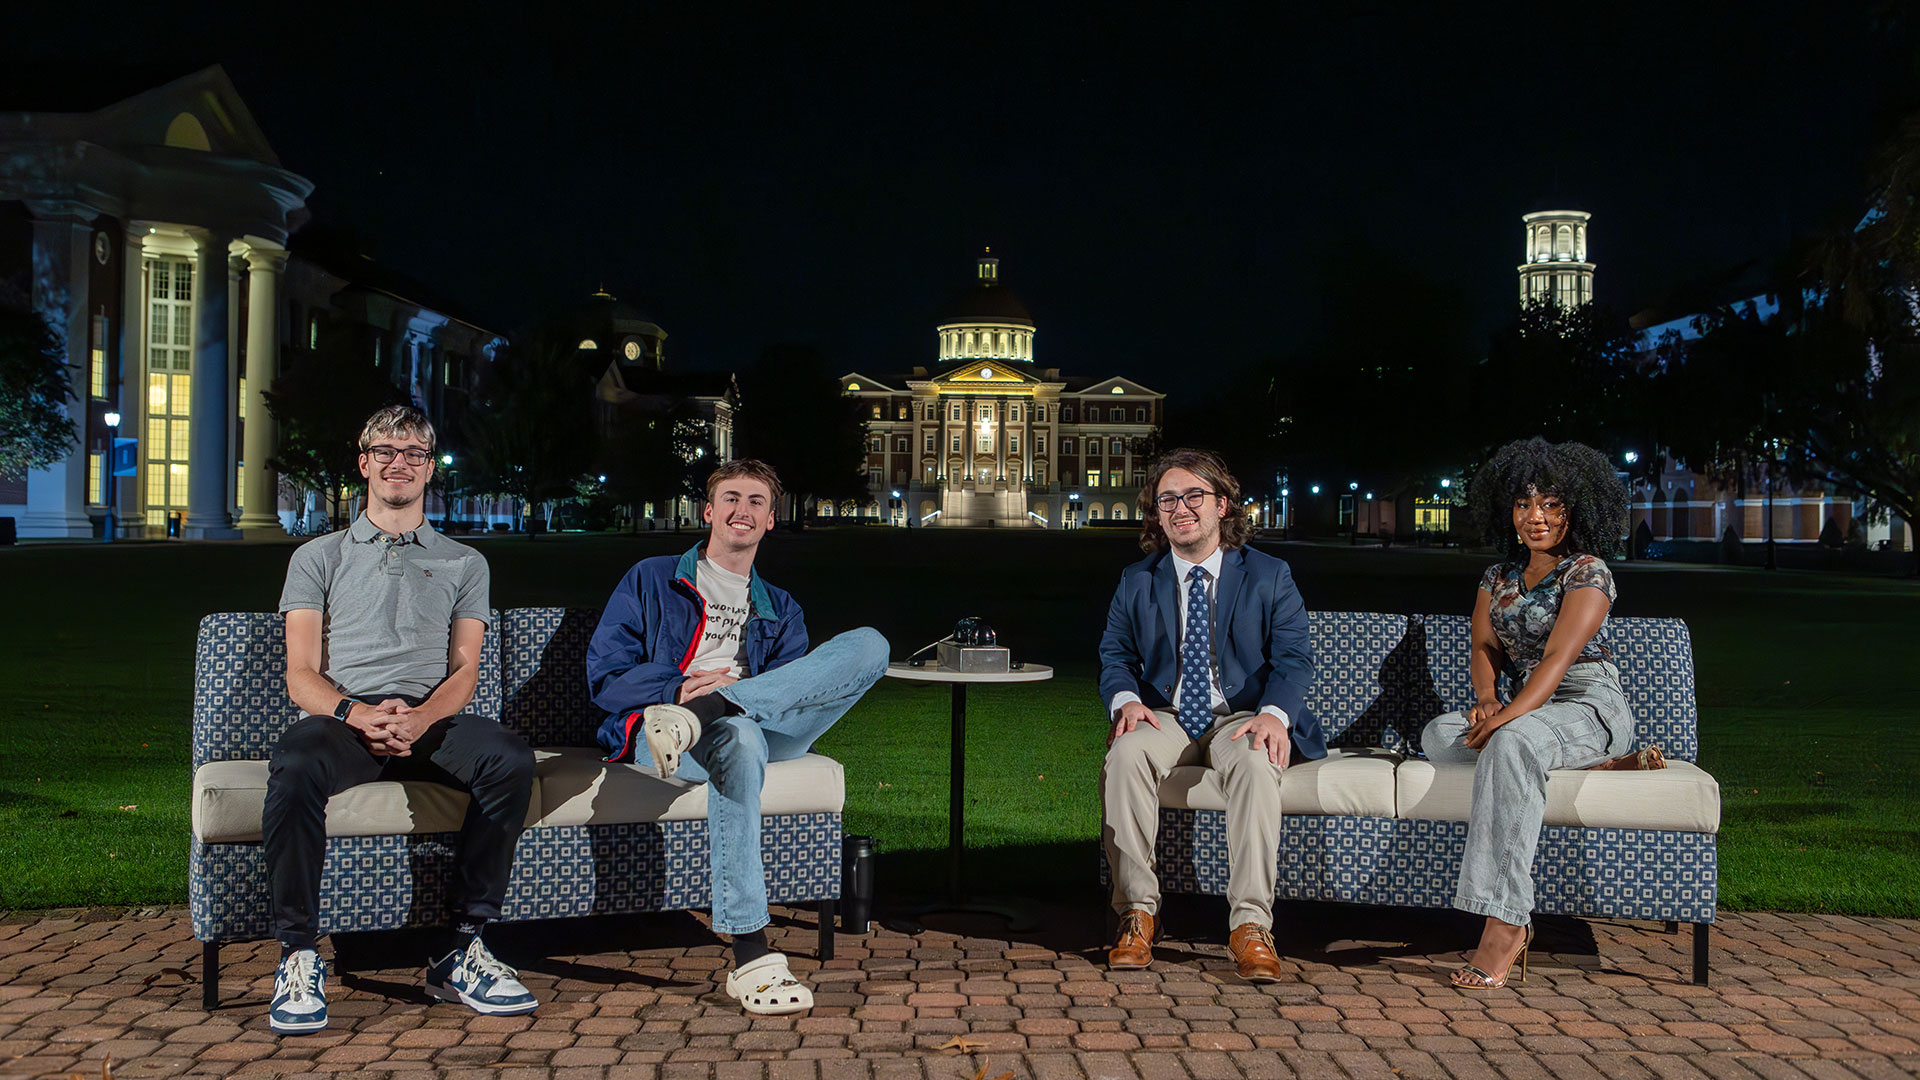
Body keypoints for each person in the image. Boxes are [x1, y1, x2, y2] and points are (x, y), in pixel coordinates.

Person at [264, 405, 538, 1034]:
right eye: (385, 450)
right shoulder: (317, 557)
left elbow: (464, 670)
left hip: (430, 720)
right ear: (364, 463)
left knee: (509, 758)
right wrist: (357, 713)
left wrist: (417, 719)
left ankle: (461, 948)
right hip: (345, 717)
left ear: (427, 470)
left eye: (414, 453)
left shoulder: (465, 562)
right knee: (297, 761)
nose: (399, 463)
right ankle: (298, 953)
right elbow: (300, 673)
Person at [587, 459, 888, 1015]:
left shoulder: (781, 608)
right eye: (730, 498)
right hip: (667, 731)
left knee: (871, 643)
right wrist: (680, 688)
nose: (741, 510)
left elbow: (797, 691)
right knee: (740, 741)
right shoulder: (652, 577)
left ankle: (719, 707)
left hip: (755, 721)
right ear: (708, 511)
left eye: (755, 501)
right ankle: (752, 956)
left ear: (771, 520)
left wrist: (728, 693)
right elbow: (605, 674)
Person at [1420, 437, 1659, 991]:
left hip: (1585, 701)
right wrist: (1485, 700)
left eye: (1552, 505)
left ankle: (1504, 922)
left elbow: (1558, 659)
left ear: (1576, 511)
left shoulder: (1588, 572)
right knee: (1439, 733)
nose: (1537, 517)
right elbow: (1484, 650)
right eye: (1525, 504)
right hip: (1529, 705)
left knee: (1511, 744)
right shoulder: (1496, 578)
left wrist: (1503, 722)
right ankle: (1586, 763)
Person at [1098, 448, 1324, 982]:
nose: (1181, 508)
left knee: (1253, 760)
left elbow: (1294, 658)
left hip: (1239, 716)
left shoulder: (1269, 575)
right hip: (1168, 715)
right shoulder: (1138, 579)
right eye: (1168, 499)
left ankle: (1250, 927)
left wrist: (1273, 715)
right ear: (1156, 513)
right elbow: (1115, 656)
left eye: (1194, 496)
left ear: (1223, 505)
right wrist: (1126, 700)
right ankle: (1137, 913)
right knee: (1126, 753)